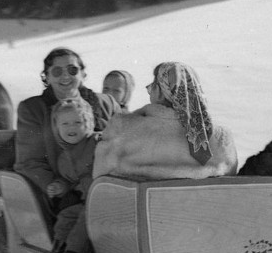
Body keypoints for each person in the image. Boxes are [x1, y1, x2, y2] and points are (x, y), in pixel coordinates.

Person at [14, 47, 119, 211]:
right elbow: (29, 162)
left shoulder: (106, 103)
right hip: (66, 192)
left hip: (109, 186)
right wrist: (61, 189)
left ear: (82, 74)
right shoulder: (33, 109)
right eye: (56, 71)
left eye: (72, 70)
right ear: (46, 77)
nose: (65, 76)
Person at [93, 61, 237, 180]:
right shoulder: (218, 139)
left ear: (161, 91)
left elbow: (100, 178)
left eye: (152, 87)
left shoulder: (122, 128)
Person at [24, 97, 99, 253]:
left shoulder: (97, 144)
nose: (71, 127)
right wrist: (61, 186)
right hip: (85, 203)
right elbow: (69, 181)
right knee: (66, 216)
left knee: (85, 218)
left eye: (78, 122)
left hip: (103, 202)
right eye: (65, 124)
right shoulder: (64, 158)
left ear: (88, 124)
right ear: (57, 129)